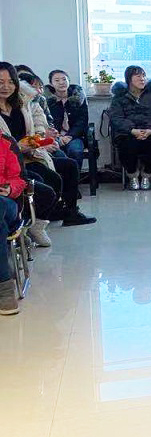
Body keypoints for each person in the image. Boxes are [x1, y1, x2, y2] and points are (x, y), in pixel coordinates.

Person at [0, 62, 94, 228]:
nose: (6, 87)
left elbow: (40, 125)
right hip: (10, 162)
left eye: (10, 82)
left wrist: (40, 138)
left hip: (31, 154)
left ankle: (70, 212)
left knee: (70, 165)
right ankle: (38, 220)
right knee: (48, 180)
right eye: (1, 82)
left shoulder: (23, 103)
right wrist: (19, 147)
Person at [109, 66, 151, 191]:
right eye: (138, 76)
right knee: (126, 144)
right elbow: (116, 118)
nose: (142, 79)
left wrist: (150, 130)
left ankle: (147, 174)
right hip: (129, 132)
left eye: (143, 76)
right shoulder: (119, 97)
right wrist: (132, 130)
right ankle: (132, 175)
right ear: (129, 79)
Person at [44, 71, 92, 168]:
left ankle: (75, 176)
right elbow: (46, 122)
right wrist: (58, 137)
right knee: (55, 153)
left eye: (64, 79)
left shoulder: (78, 98)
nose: (61, 82)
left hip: (75, 136)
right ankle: (61, 177)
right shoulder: (47, 101)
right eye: (57, 80)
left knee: (75, 151)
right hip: (54, 137)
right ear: (51, 84)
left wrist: (70, 136)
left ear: (69, 81)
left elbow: (82, 121)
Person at [0, 135, 25, 314]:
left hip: (5, 201)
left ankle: (4, 287)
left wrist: (10, 188)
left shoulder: (5, 143)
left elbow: (19, 179)